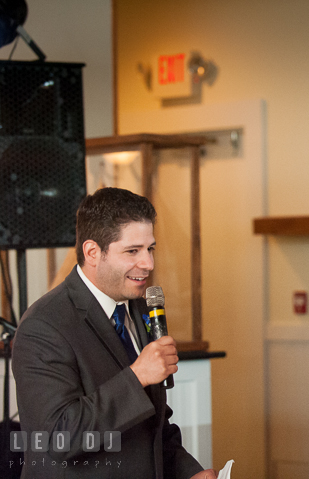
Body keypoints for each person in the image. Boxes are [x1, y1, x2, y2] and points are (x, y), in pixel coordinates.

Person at [12, 187, 217, 479]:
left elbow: (154, 426)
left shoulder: (139, 310)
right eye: (133, 251)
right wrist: (137, 377)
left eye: (150, 249)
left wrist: (188, 472)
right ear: (93, 252)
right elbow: (59, 436)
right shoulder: (43, 326)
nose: (148, 264)